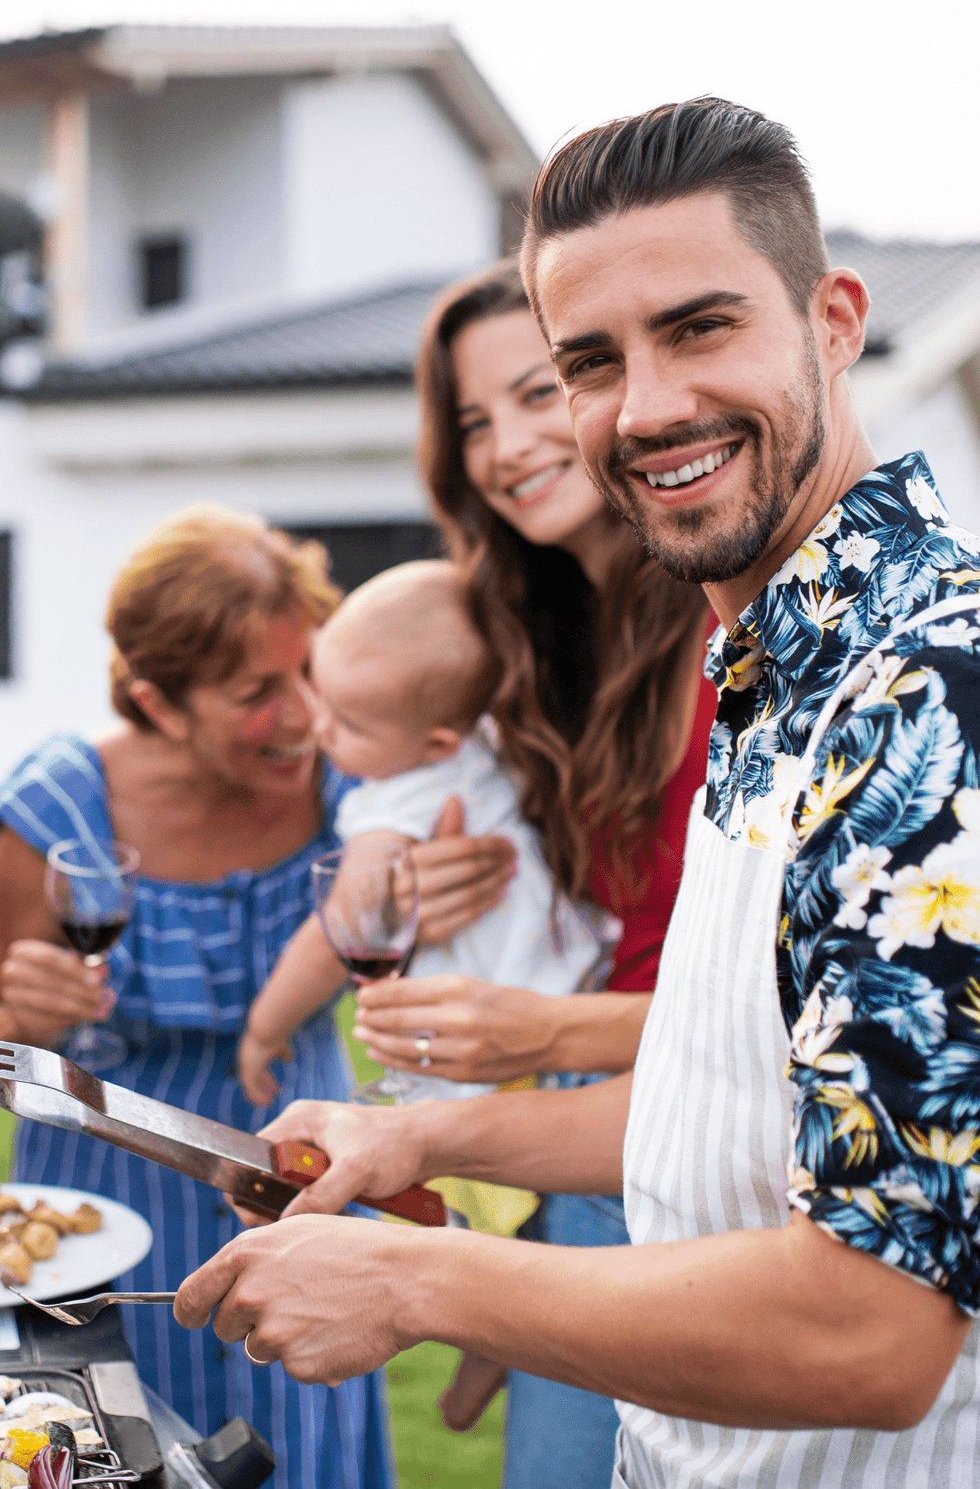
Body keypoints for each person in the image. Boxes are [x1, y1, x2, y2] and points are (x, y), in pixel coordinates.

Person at [174, 99, 980, 1488]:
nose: (649, 406)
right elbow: (735, 1103)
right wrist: (418, 1133)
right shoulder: (767, 657)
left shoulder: (925, 690)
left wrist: (418, 1285)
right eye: (591, 363)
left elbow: (875, 1329)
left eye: (702, 327)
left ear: (835, 321)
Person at [0, 506, 514, 1489]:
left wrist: (456, 888)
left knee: (302, 1456)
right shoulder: (58, 809)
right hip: (106, 1208)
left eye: (308, 670)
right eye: (257, 692)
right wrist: (25, 1016)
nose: (306, 713)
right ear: (159, 702)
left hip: (299, 1183)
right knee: (123, 1459)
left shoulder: (351, 777)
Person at [334, 256, 715, 1478]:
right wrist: (419, 872)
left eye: (540, 391)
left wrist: (538, 1032)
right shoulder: (532, 657)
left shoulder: (728, 636)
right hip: (593, 1155)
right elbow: (397, 809)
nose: (504, 447)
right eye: (472, 423)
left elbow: (759, 1021)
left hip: (696, 1170)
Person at [237, 559, 605, 1115]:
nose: (320, 727)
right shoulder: (485, 744)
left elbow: (346, 927)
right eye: (321, 694)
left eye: (351, 725)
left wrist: (266, 1029)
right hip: (566, 996)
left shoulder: (401, 798)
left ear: (435, 745)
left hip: (481, 1045)